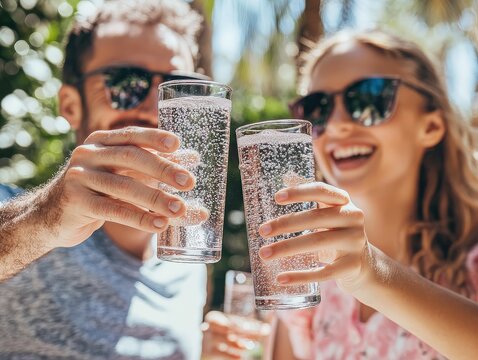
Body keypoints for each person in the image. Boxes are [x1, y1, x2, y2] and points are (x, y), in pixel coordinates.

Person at [0, 0, 231, 358]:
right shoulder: (20, 223)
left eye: (175, 87)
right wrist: (40, 219)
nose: (155, 107)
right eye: (127, 83)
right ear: (71, 105)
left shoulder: (188, 258)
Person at [259, 29, 478, 359]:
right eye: (317, 108)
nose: (337, 125)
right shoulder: (308, 277)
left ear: (431, 126)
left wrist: (372, 274)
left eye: (368, 99)